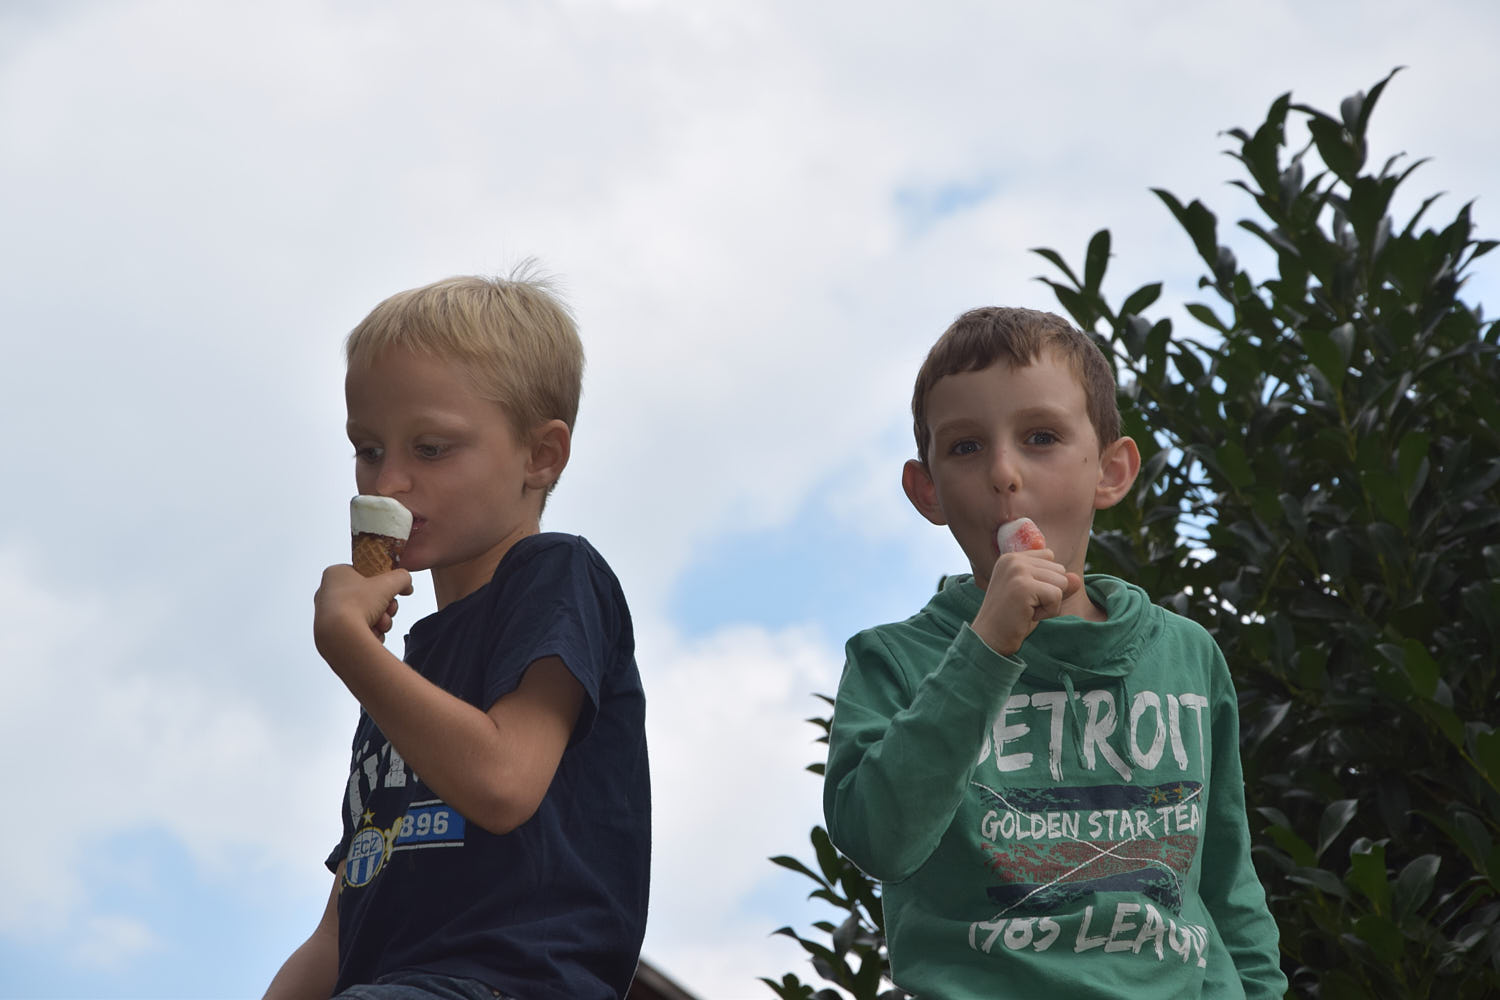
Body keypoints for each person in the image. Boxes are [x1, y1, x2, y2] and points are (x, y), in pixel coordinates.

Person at [823, 307, 1285, 998]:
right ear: (928, 491)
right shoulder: (894, 661)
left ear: (1111, 471)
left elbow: (1227, 884)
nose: (1004, 472)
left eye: (1040, 437)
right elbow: (878, 840)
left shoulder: (1186, 655)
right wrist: (986, 646)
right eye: (965, 447)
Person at [264, 273, 651, 1000]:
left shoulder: (557, 573)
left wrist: (350, 648)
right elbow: (337, 934)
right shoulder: (406, 678)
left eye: (432, 449)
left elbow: (502, 783)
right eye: (368, 449)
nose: (388, 482)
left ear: (540, 456)